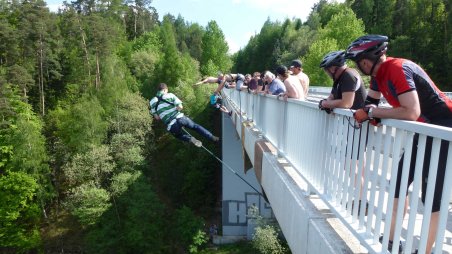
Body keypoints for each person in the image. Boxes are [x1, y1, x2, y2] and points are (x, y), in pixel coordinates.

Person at [346, 35, 452, 254]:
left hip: (443, 130)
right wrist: (371, 112)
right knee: (399, 183)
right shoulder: (379, 75)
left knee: (432, 198)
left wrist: (371, 113)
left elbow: (412, 112)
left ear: (367, 59)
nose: (359, 65)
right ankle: (393, 240)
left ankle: (425, 250)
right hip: (424, 131)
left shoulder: (396, 68)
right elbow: (371, 103)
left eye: (358, 61)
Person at [150, 83, 219, 147]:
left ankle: (190, 139)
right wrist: (175, 110)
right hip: (181, 118)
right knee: (195, 127)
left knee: (179, 135)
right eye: (167, 91)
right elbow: (180, 107)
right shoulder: (170, 95)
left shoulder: (152, 102)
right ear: (165, 89)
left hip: (171, 125)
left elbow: (157, 118)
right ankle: (212, 137)